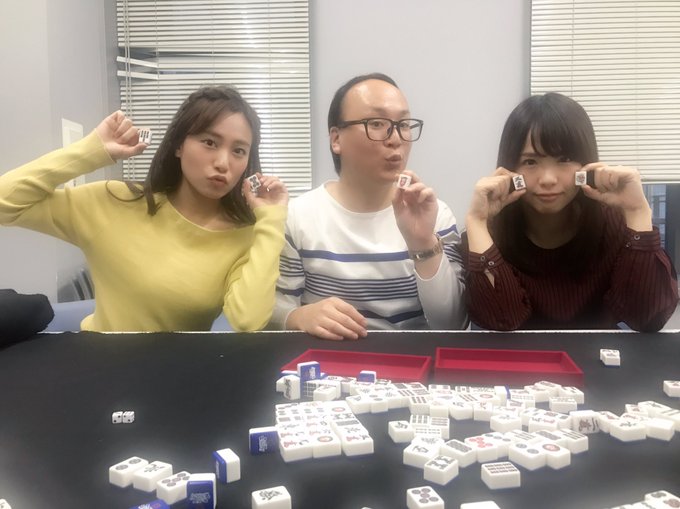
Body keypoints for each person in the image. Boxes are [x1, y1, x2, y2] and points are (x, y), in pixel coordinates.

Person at [0, 86, 288, 332]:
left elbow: (247, 321)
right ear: (179, 146)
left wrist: (272, 219)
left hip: (177, 371)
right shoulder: (115, 202)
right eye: (209, 142)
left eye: (239, 151)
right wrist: (92, 150)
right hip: (97, 364)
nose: (223, 163)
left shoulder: (244, 235)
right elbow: (5, 203)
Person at [270, 73, 468, 340]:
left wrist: (422, 243)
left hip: (413, 359)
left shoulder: (434, 215)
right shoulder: (298, 217)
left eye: (403, 124)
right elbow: (275, 310)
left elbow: (453, 325)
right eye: (377, 123)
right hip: (330, 359)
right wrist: (297, 317)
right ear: (336, 139)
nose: (395, 138)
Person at [465, 92, 678, 331]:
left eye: (564, 159)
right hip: (522, 355)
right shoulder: (488, 234)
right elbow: (502, 321)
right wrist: (476, 221)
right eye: (530, 162)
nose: (548, 179)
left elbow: (646, 317)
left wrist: (638, 211)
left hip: (598, 353)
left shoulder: (614, 224)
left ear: (586, 164)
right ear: (509, 168)